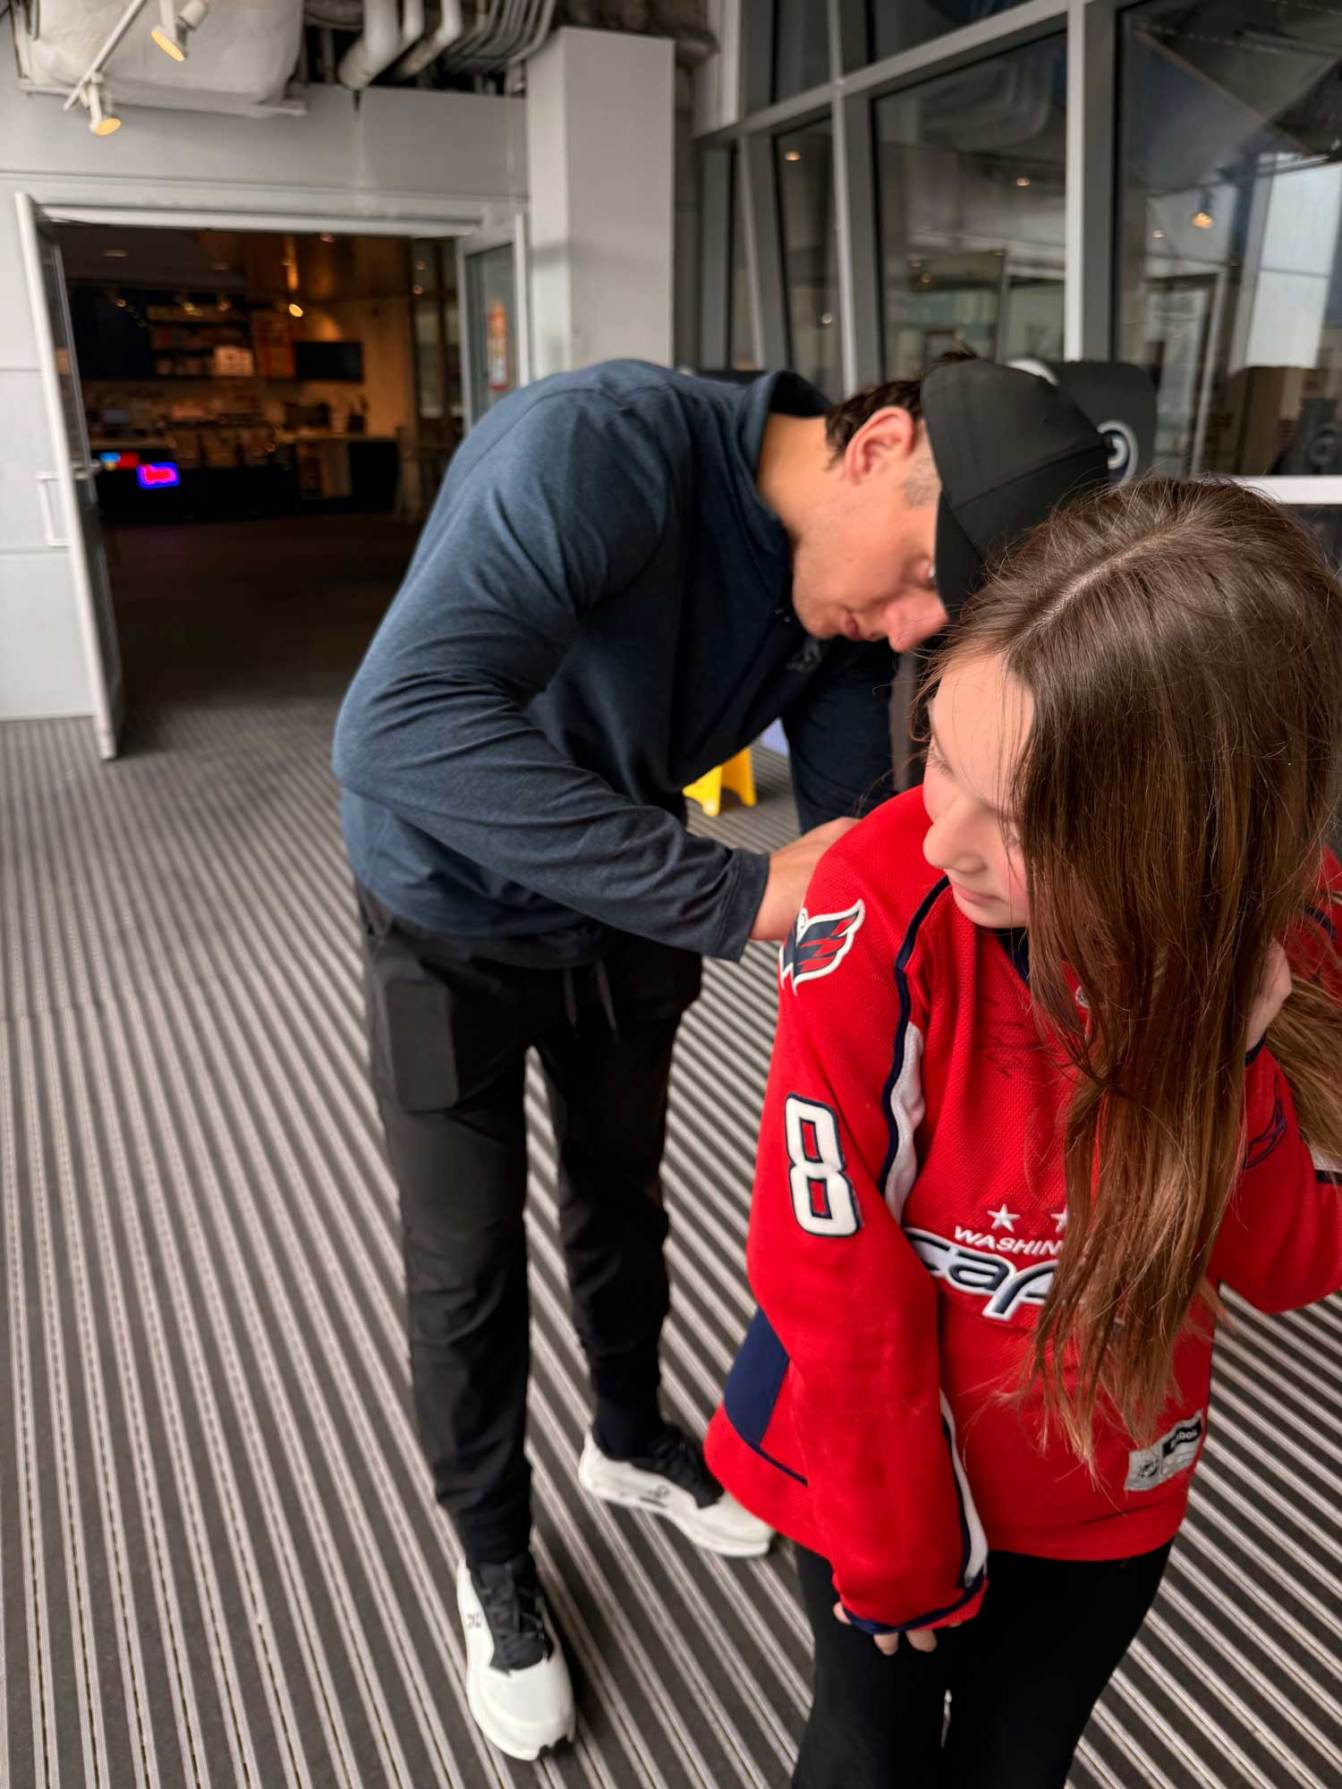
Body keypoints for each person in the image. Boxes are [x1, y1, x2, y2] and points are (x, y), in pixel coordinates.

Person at [331, 354, 1107, 1760]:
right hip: (444, 907)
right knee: (464, 1255)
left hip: (622, 891)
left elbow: (863, 838)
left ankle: (625, 1436)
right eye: (928, 575)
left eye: (951, 613)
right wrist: (733, 892)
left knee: (624, 1190)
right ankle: (491, 1554)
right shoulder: (596, 453)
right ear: (878, 444)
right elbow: (396, 730)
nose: (917, 622)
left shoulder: (848, 602)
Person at [706, 477, 1342, 1788]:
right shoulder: (884, 895)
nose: (939, 832)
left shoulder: (1296, 931)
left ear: (1182, 838)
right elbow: (828, 1267)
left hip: (1098, 1473)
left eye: (1018, 814)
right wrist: (897, 1550)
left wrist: (1225, 1066)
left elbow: (1288, 1263)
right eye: (941, 753)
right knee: (863, 1748)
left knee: (1018, 1755)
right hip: (872, 1463)